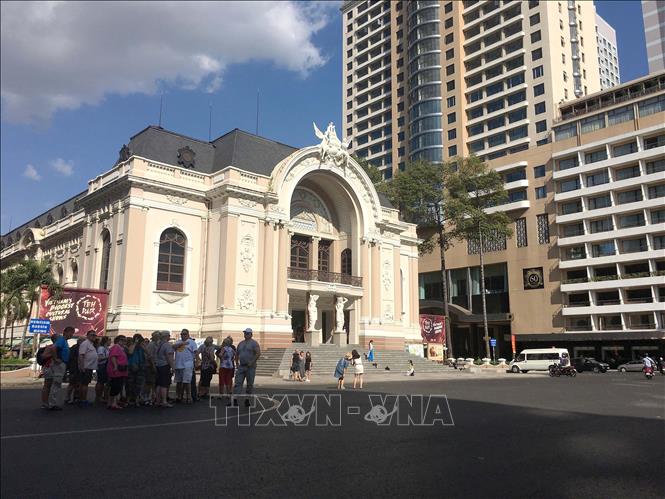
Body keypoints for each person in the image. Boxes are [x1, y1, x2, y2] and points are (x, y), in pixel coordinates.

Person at [40, 326, 73, 410]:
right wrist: (55, 358)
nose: (72, 335)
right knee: (56, 384)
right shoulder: (61, 341)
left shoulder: (62, 342)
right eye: (71, 332)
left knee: (49, 384)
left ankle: (46, 403)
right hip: (55, 365)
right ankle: (52, 403)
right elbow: (51, 351)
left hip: (51, 366)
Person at [231, 328, 261, 407]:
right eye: (245, 333)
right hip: (241, 366)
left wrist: (252, 362)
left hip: (250, 367)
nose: (246, 335)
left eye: (247, 333)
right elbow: (237, 354)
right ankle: (235, 400)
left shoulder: (254, 343)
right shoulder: (241, 343)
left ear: (251, 334)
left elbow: (258, 353)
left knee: (249, 384)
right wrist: (236, 363)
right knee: (238, 383)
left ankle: (247, 400)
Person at [173, 329, 197, 404]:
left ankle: (188, 397)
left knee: (187, 382)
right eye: (182, 334)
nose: (183, 335)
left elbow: (195, 352)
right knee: (178, 382)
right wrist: (183, 343)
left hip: (187, 364)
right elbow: (173, 347)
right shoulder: (178, 342)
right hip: (178, 364)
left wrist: (197, 361)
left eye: (184, 334)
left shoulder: (192, 342)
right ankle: (178, 396)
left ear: (188, 334)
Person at [107, 335, 129, 410]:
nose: (124, 341)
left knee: (116, 386)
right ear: (117, 340)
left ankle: (112, 403)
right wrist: (115, 366)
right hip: (117, 370)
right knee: (116, 386)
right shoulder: (116, 347)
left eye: (125, 340)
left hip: (121, 370)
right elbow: (113, 356)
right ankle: (113, 403)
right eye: (122, 340)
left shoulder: (122, 348)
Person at [77, 330, 98, 405]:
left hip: (89, 367)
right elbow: (81, 355)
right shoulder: (85, 343)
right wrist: (82, 366)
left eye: (95, 335)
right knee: (84, 384)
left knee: (85, 384)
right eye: (92, 335)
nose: (94, 337)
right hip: (86, 367)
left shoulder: (91, 344)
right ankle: (83, 400)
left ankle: (82, 399)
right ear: (88, 336)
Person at [154, 331, 175, 408]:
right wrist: (173, 367)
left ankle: (158, 401)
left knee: (159, 384)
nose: (169, 337)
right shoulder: (167, 345)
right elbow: (169, 358)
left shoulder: (159, 344)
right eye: (169, 335)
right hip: (165, 366)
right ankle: (164, 401)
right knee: (164, 385)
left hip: (158, 365)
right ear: (166, 336)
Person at [126, 334, 147, 407]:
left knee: (139, 385)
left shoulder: (141, 347)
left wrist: (143, 346)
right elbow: (130, 352)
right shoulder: (131, 345)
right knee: (130, 384)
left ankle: (136, 399)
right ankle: (128, 399)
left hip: (140, 367)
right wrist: (135, 343)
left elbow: (148, 354)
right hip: (131, 367)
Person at [142, 331, 160, 405]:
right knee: (149, 382)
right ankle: (146, 397)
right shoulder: (151, 345)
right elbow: (149, 356)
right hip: (150, 366)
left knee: (153, 382)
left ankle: (152, 397)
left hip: (154, 364)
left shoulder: (156, 344)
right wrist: (153, 366)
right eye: (158, 336)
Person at [65, 337, 83, 404]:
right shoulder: (75, 347)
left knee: (77, 384)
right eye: (83, 341)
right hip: (74, 368)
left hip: (78, 368)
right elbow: (71, 358)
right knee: (72, 383)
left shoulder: (80, 348)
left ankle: (75, 397)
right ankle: (68, 397)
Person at [95, 336, 111, 404]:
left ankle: (103, 396)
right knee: (100, 382)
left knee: (104, 382)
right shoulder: (101, 348)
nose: (110, 342)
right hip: (102, 366)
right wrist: (108, 357)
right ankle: (98, 397)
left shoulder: (107, 348)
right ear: (106, 341)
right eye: (109, 340)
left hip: (105, 366)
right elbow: (99, 358)